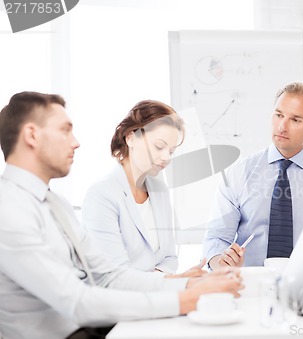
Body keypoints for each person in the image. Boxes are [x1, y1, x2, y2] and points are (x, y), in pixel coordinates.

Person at [0, 91, 242, 339]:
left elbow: (109, 276)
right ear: (31, 135)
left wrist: (190, 284)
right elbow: (77, 301)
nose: (76, 142)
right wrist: (184, 299)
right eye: (65, 130)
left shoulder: (55, 203)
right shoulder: (8, 211)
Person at [203, 82, 303, 275]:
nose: (282, 126)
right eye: (278, 115)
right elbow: (216, 237)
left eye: (295, 120)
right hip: (248, 286)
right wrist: (221, 261)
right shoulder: (238, 173)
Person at [82, 100, 203, 277]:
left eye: (171, 151)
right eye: (159, 146)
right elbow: (115, 274)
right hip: (117, 301)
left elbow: (169, 258)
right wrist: (172, 280)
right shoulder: (102, 194)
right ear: (131, 138)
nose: (166, 157)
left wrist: (166, 280)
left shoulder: (159, 190)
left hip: (153, 298)